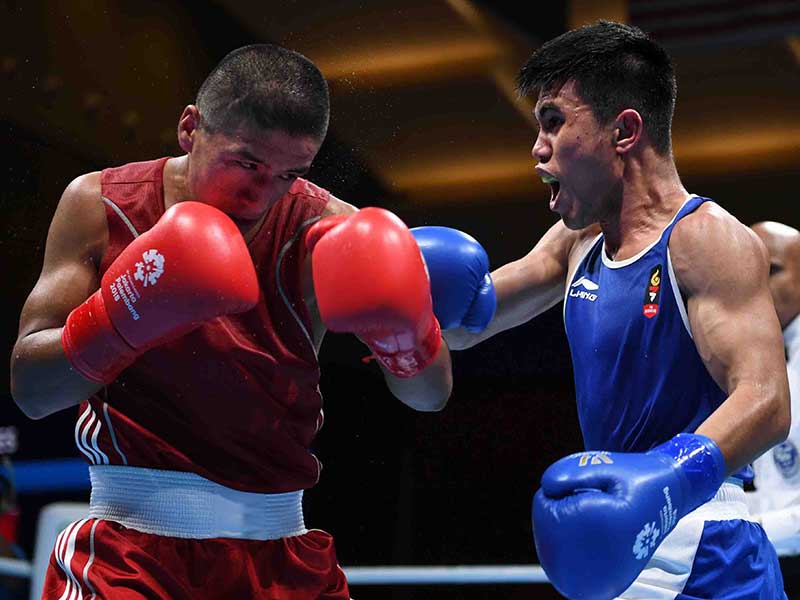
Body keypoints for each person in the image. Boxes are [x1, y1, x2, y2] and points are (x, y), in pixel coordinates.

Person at [9, 44, 494, 599]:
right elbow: (31, 390)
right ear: (190, 128)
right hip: (130, 553)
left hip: (280, 558)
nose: (262, 194)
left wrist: (405, 335)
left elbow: (429, 397)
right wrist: (124, 314)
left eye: (290, 173)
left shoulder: (329, 230)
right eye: (247, 164)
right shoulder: (102, 205)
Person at [441, 21, 790, 600]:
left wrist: (664, 478)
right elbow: (468, 319)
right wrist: (387, 278)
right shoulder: (574, 242)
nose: (537, 149)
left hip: (709, 544)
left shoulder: (705, 240)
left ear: (624, 130)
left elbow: (767, 401)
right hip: (614, 548)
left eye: (553, 122)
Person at [747, 222, 800, 570]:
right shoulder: (766, 363)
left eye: (773, 270)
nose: (758, 285)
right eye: (751, 272)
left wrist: (753, 533)